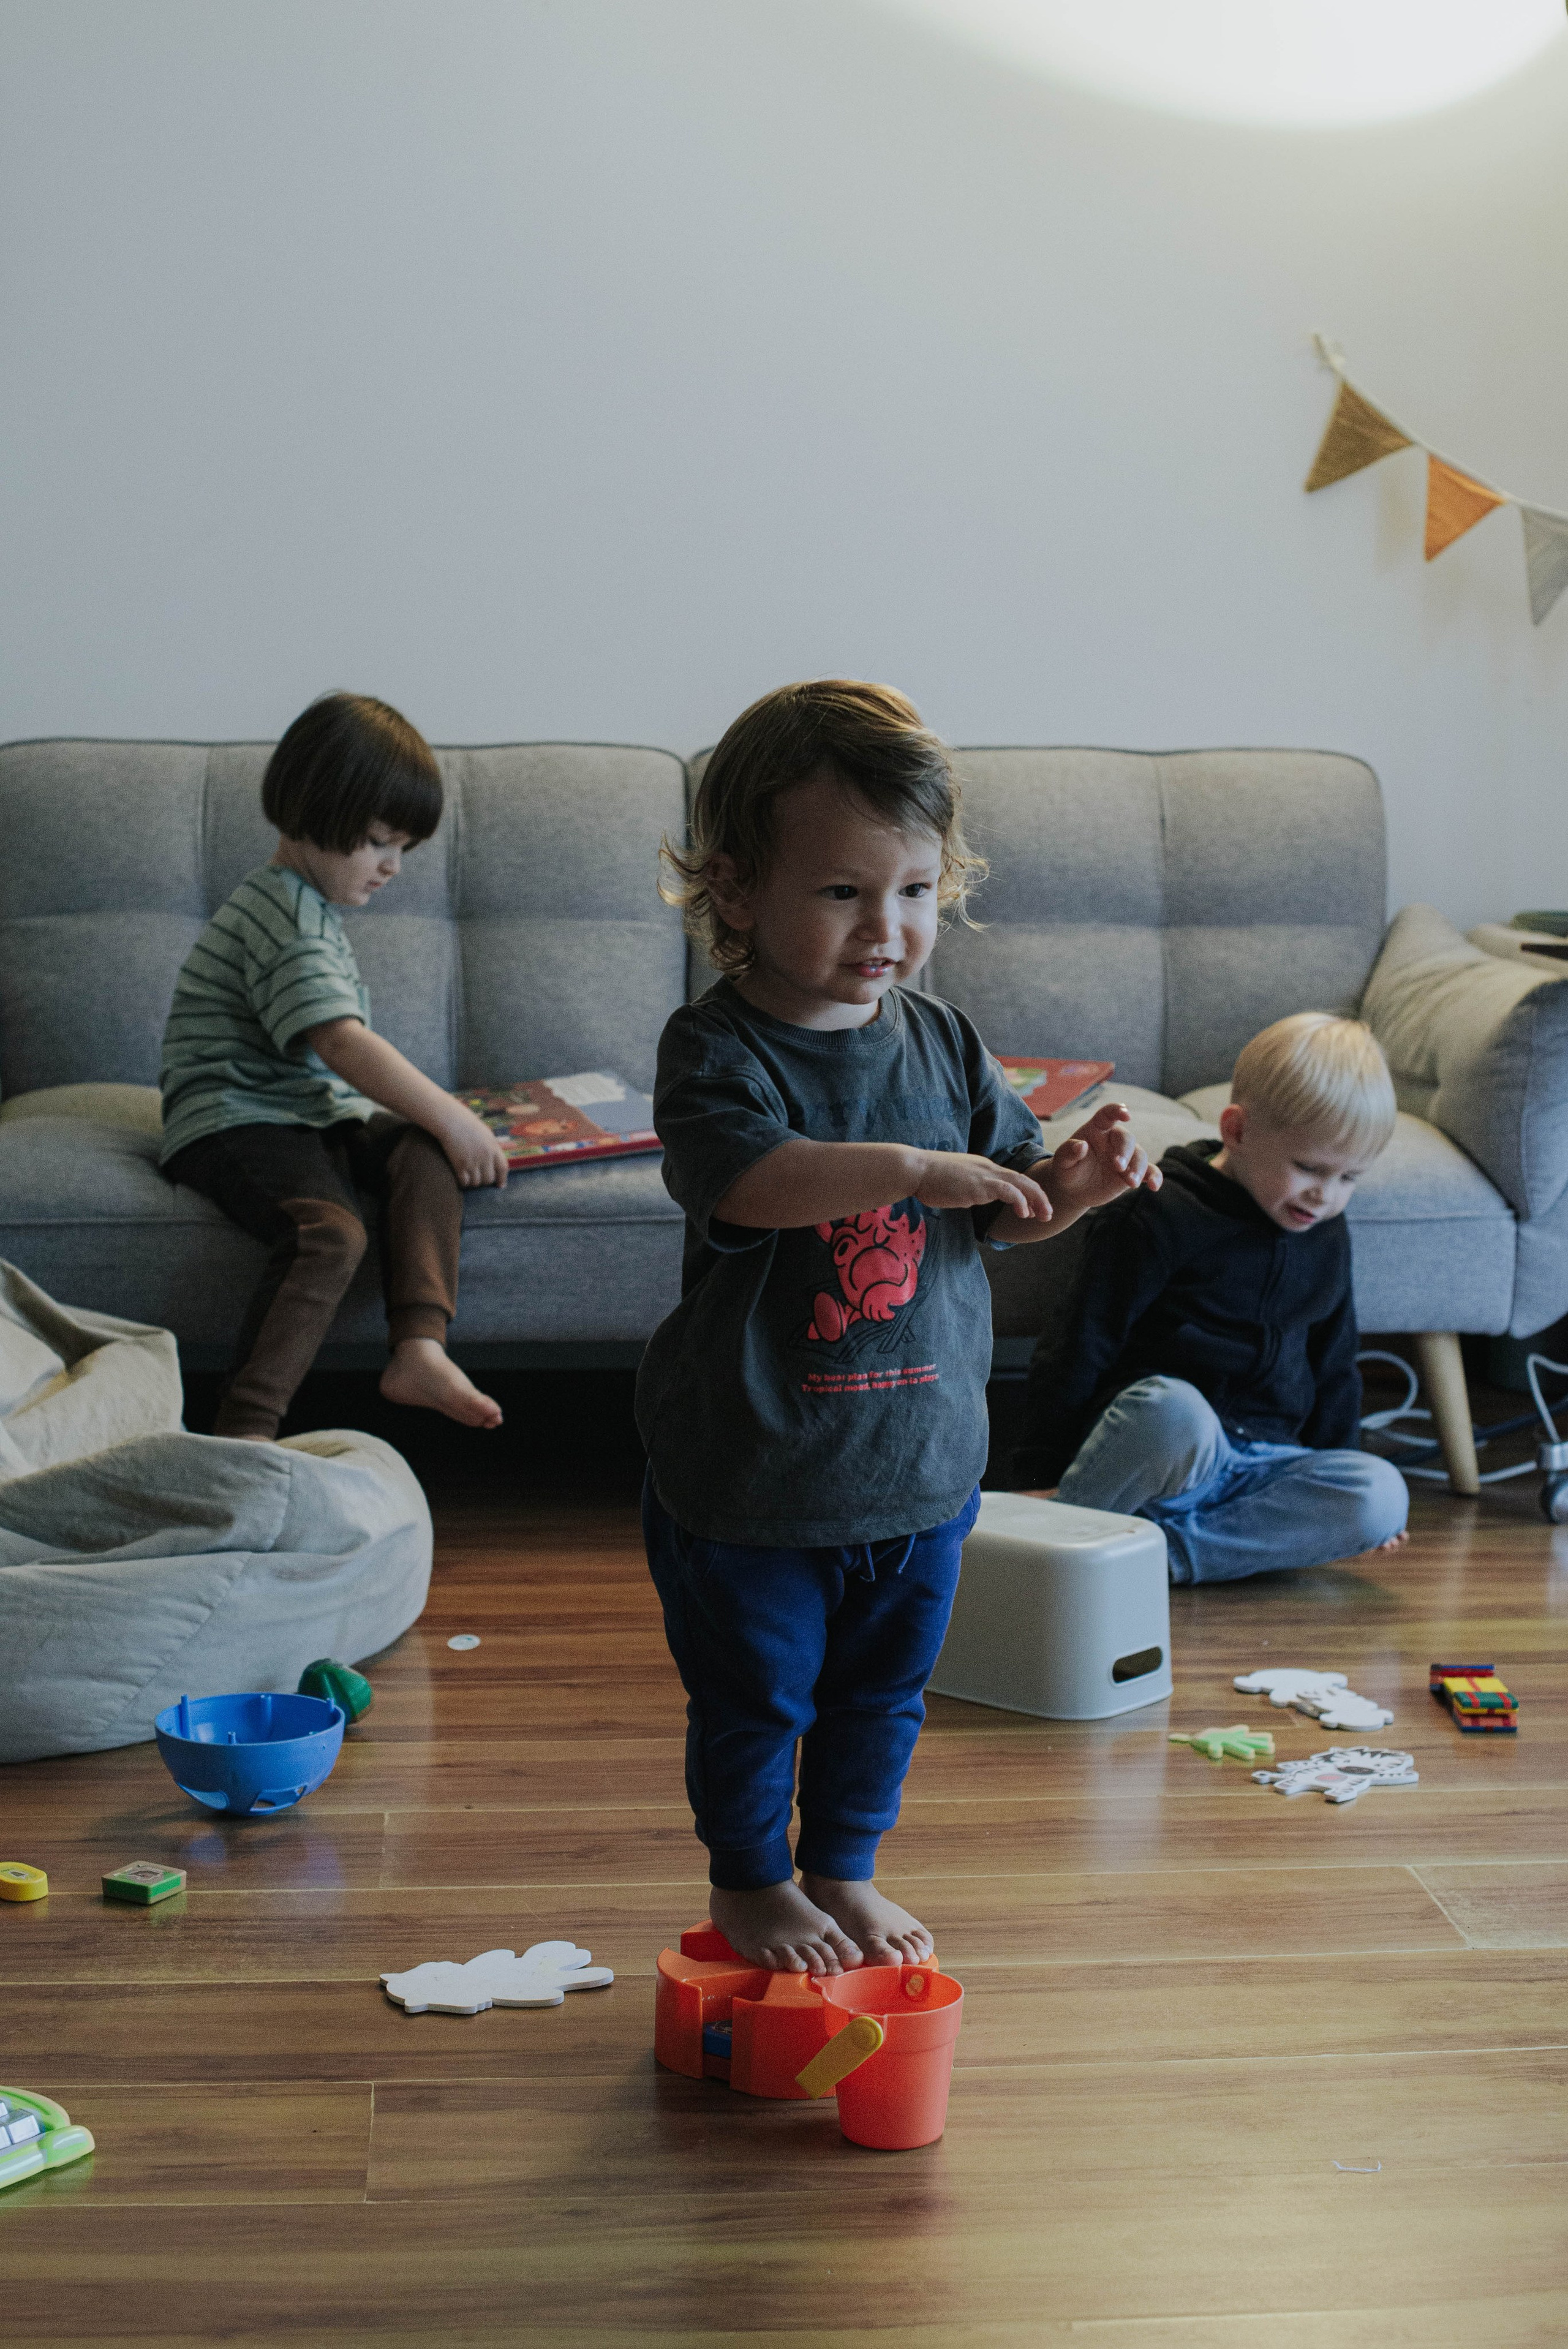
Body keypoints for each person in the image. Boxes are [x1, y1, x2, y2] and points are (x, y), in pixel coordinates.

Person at [637, 678, 1160, 1975]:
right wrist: (917, 1173)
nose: (888, 927)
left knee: (880, 1694)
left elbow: (1005, 1205)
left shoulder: (943, 1042)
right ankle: (754, 1882)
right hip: (755, 1468)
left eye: (915, 891)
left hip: (921, 1466)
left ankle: (841, 1870)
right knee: (758, 1698)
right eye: (840, 893)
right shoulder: (717, 1053)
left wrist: (1072, 1190)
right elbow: (749, 1187)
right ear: (735, 889)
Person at [160, 692, 509, 1441]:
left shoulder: (310, 906)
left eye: (404, 848)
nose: (392, 867)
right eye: (380, 840)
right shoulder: (282, 914)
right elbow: (341, 1043)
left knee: (424, 1151)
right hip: (231, 1117)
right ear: (310, 811)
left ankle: (418, 1347)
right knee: (330, 1232)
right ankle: (243, 1434)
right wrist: (451, 1112)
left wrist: (439, 1128)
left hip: (298, 1111)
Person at [1013, 1011, 1410, 1582]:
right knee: (1175, 1409)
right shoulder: (1159, 1209)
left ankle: (1160, 1556)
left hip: (1264, 1465)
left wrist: (1338, 1461)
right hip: (1163, 1451)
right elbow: (1080, 1341)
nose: (1326, 1196)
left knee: (1381, 1493)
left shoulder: (1326, 1234)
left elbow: (1334, 1363)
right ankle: (1064, 1541)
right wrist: (1040, 1469)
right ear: (1238, 1130)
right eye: (1309, 1168)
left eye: (1351, 1179)